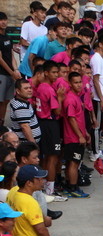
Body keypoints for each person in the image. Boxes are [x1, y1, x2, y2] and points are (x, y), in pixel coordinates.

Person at [35, 60, 65, 198]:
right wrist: (59, 97)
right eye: (53, 72)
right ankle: (50, 191)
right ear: (46, 73)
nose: (56, 75)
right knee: (52, 158)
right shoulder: (48, 89)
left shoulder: (41, 87)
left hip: (41, 122)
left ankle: (44, 188)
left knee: (46, 157)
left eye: (57, 72)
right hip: (50, 123)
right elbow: (57, 111)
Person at [62, 72, 90, 198]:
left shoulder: (76, 97)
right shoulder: (70, 99)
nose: (79, 85)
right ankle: (73, 188)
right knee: (74, 163)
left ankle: (69, 186)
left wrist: (85, 132)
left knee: (71, 163)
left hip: (76, 136)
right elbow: (71, 119)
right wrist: (80, 135)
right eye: (76, 82)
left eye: (80, 82)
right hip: (73, 138)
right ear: (70, 83)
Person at [0, 13, 22, 127]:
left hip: (10, 74)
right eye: (1, 20)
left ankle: (2, 123)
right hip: (1, 74)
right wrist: (11, 72)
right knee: (0, 100)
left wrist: (16, 69)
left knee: (6, 101)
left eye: (4, 19)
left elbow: (11, 55)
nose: (3, 22)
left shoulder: (8, 36)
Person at [9, 79, 42, 144]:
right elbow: (24, 126)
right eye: (26, 88)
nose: (30, 90)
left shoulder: (22, 101)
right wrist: (33, 144)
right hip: (26, 144)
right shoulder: (20, 107)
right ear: (18, 91)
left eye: (30, 88)